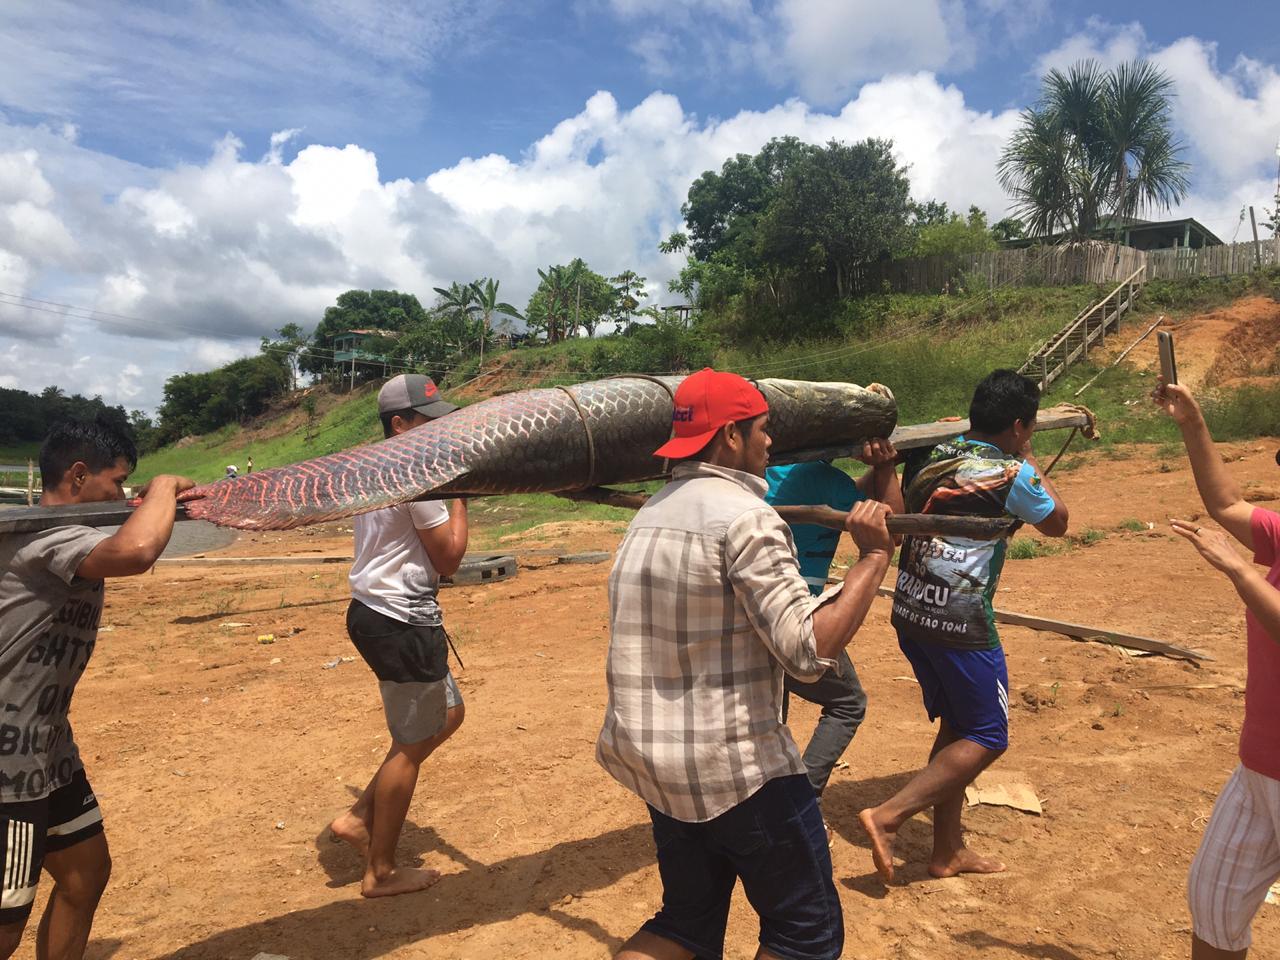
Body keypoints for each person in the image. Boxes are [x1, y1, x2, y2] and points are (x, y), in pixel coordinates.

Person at [598, 368, 896, 960]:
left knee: (685, 922)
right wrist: (873, 558)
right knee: (805, 936)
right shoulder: (746, 517)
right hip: (738, 770)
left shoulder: (650, 513)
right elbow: (807, 653)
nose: (769, 442)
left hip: (659, 763)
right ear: (730, 436)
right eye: (761, 429)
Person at [859, 369, 1069, 884]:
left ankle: (947, 850)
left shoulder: (929, 453)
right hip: (961, 621)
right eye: (1031, 427)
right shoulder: (1012, 473)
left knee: (958, 725)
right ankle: (888, 816)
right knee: (988, 735)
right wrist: (1030, 459)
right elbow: (1058, 521)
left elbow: (898, 513)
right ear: (1020, 426)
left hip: (911, 609)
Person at [0, 419, 193, 960]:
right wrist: (161, 492)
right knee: (4, 927)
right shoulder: (46, 536)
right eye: (119, 483)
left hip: (47, 742)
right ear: (79, 476)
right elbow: (135, 554)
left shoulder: (70, 531)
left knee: (85, 873)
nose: (125, 495)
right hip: (6, 760)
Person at [327, 374, 469, 899]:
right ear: (400, 424)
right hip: (401, 619)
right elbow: (450, 558)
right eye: (429, 422)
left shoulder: (379, 468)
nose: (440, 430)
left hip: (377, 612)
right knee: (410, 745)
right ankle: (380, 869)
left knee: (448, 713)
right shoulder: (417, 475)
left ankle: (362, 814)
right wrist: (462, 496)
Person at [1154, 378, 1280, 959]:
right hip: (1260, 766)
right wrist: (1192, 424)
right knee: (1215, 903)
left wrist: (1241, 572)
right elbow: (1227, 504)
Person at [764, 443, 904, 814]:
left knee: (770, 713)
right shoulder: (829, 483)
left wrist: (874, 472)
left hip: (752, 610)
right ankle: (804, 799)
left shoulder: (769, 474)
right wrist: (886, 467)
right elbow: (896, 528)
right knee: (847, 703)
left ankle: (765, 798)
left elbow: (855, 497)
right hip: (797, 617)